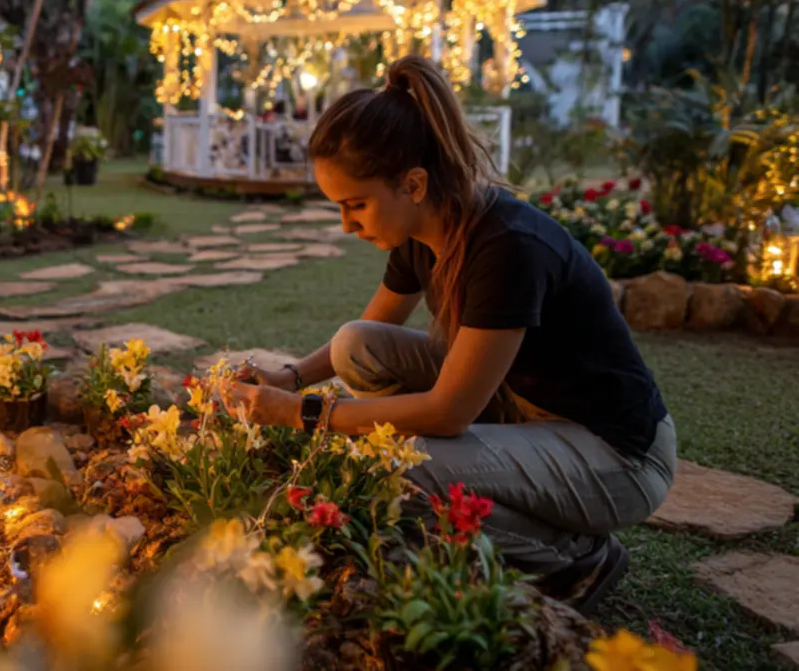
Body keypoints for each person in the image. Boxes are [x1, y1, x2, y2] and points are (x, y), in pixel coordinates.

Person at [222, 54, 675, 615]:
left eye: (355, 205)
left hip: (616, 454)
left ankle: (571, 559)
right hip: (524, 411)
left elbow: (448, 412)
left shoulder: (506, 247)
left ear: (413, 184)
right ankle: (505, 502)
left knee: (402, 465)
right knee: (354, 346)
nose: (347, 224)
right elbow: (370, 334)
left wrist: (304, 413)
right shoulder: (423, 231)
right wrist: (288, 378)